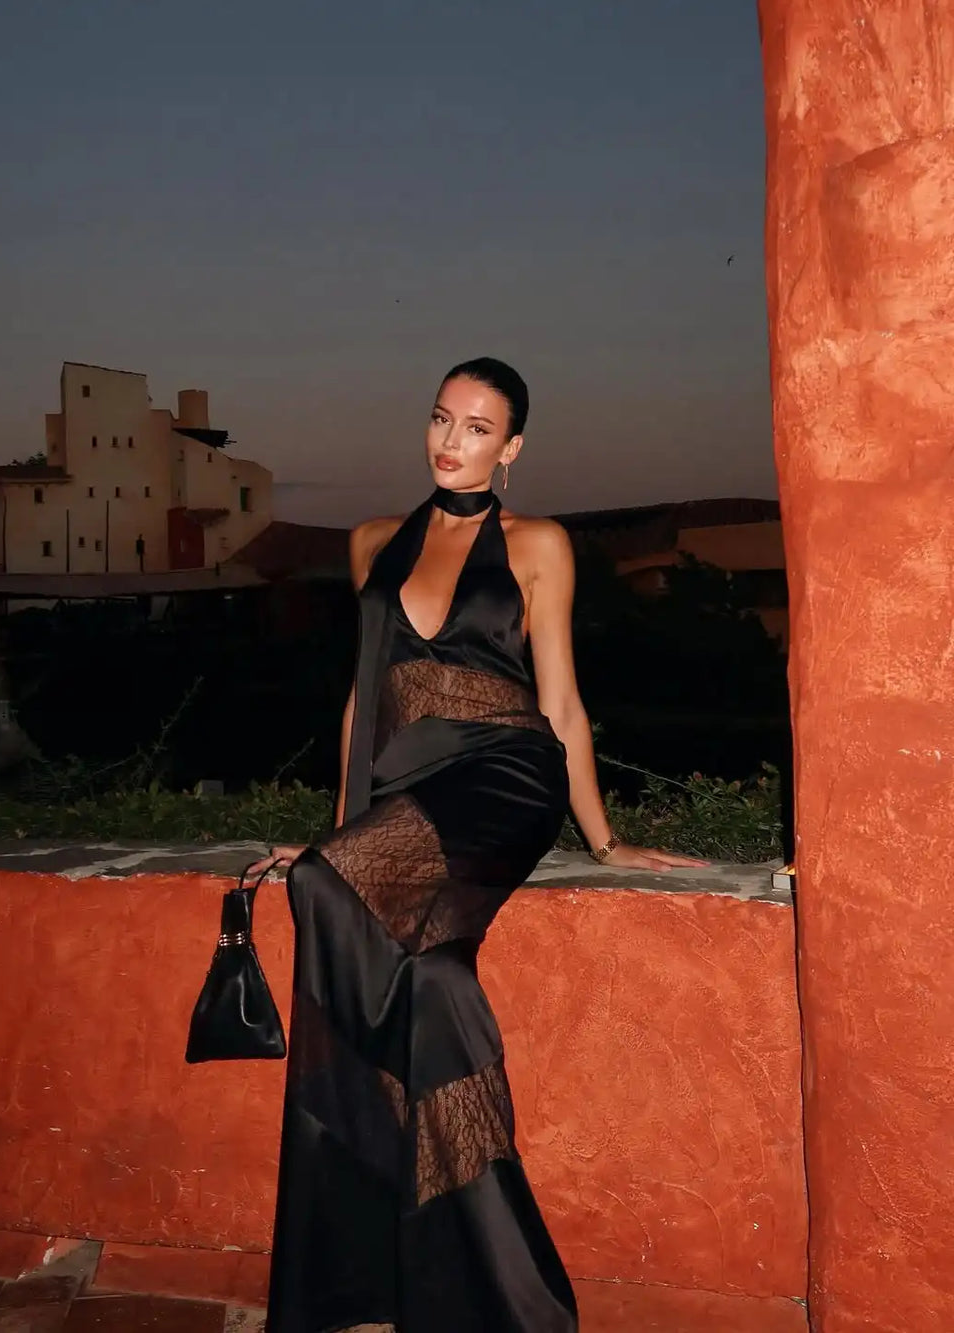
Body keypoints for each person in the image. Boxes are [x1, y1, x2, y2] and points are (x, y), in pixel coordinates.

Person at [251, 357, 704, 1333]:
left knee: (334, 893)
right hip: (408, 785)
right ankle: (478, 1268)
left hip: (505, 775)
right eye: (441, 419)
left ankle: (391, 1242)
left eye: (478, 428)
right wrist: (342, 831)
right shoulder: (374, 540)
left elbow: (563, 704)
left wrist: (605, 834)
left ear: (513, 448)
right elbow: (360, 704)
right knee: (428, 975)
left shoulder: (537, 544)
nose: (451, 442)